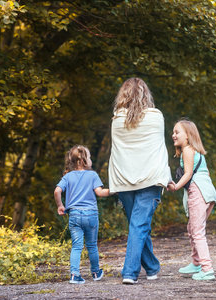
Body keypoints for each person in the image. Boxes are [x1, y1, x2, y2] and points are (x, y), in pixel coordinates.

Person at [108, 77, 172, 284]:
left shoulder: (116, 119)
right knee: (139, 225)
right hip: (151, 179)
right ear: (146, 95)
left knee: (138, 225)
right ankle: (130, 273)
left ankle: (152, 267)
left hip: (123, 181)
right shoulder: (156, 117)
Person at [168, 119, 216, 280]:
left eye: (177, 132)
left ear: (188, 136)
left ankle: (207, 268)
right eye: (173, 132)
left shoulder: (188, 151)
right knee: (192, 228)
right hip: (207, 191)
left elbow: (188, 174)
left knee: (197, 231)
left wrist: (175, 186)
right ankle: (196, 262)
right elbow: (206, 174)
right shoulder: (196, 152)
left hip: (198, 191)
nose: (173, 135)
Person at [54, 145, 111, 284]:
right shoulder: (92, 175)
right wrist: (116, 190)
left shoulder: (68, 176)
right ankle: (96, 272)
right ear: (85, 160)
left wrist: (60, 205)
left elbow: (57, 191)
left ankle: (74, 275)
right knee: (91, 245)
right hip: (90, 214)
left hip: (74, 215)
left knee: (76, 246)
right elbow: (100, 193)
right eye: (90, 157)